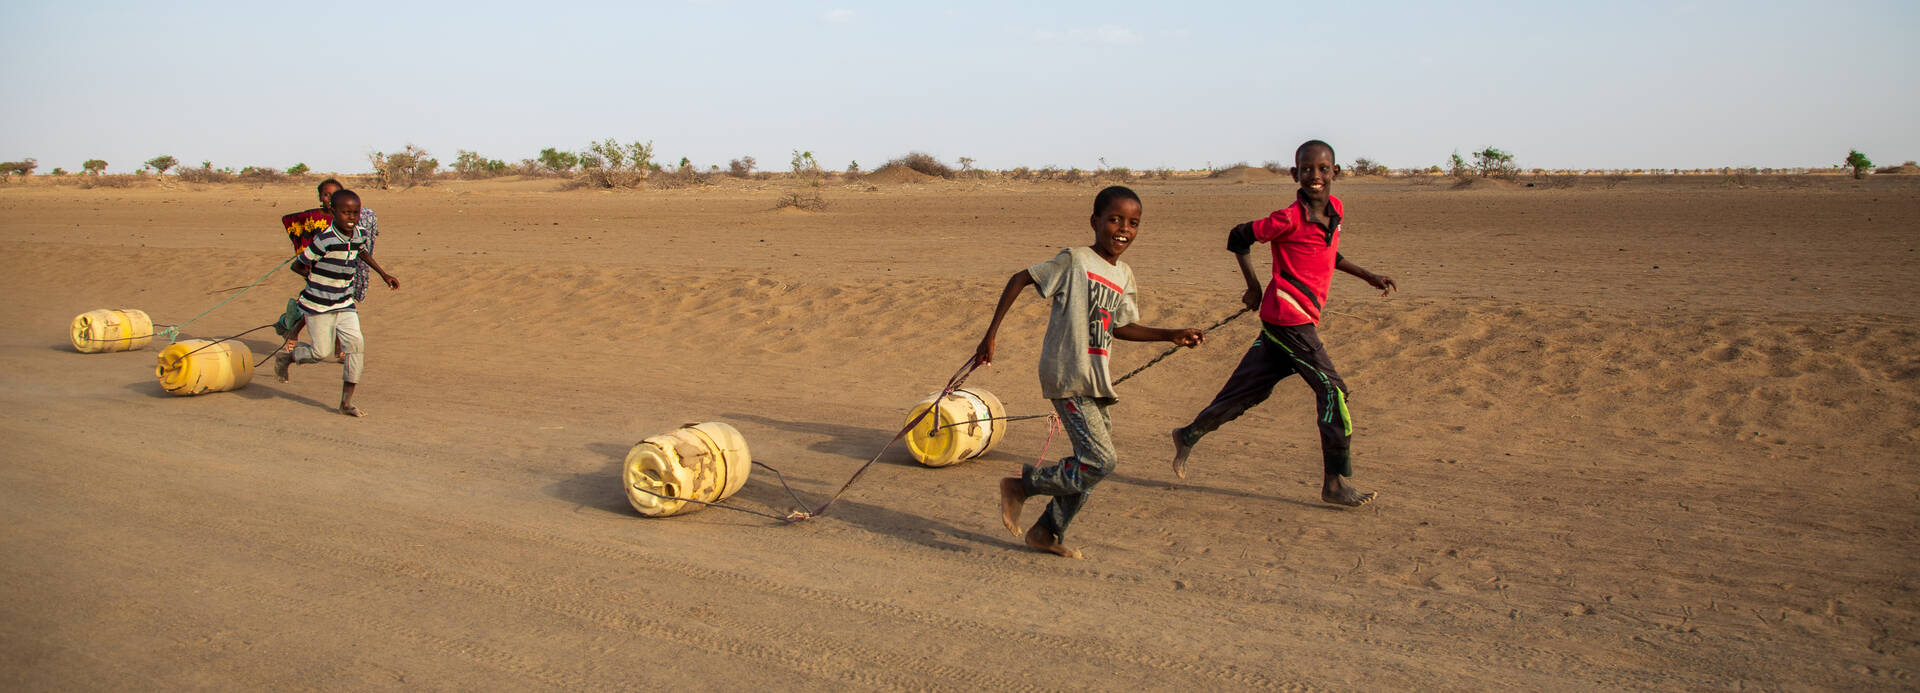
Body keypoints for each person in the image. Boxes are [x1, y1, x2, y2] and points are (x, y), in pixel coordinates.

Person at [977, 185, 1205, 558]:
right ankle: (1022, 486)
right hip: (1068, 373)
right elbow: (1021, 278)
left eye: (1133, 223)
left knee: (1092, 463)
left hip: (1096, 379)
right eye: (1114, 219)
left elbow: (1121, 326)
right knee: (1101, 460)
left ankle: (1047, 531)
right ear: (1095, 221)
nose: (1123, 229)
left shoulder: (1124, 275)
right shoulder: (1075, 260)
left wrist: (1171, 334)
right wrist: (990, 336)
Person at [1169, 140, 1397, 508]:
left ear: (1335, 172)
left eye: (1322, 169)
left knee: (1248, 391)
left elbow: (1327, 252)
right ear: (1295, 174)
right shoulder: (1287, 218)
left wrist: (1368, 275)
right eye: (1306, 169)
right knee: (1333, 391)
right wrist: (1253, 287)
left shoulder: (1336, 210)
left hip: (1287, 322)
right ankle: (1334, 484)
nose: (1315, 176)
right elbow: (1239, 237)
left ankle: (1189, 434)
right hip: (1290, 320)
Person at [274, 189, 399, 417]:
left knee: (356, 347)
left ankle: (346, 403)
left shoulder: (359, 233)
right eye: (345, 212)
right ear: (333, 212)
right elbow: (298, 265)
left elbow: (361, 252)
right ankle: (288, 357)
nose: (351, 217)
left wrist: (384, 274)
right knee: (319, 353)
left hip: (344, 302)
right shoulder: (324, 240)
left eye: (355, 213)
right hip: (319, 305)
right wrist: (315, 280)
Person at [275, 179, 382, 349]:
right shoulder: (313, 217)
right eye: (325, 194)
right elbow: (298, 228)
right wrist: (303, 252)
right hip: (320, 271)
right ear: (320, 197)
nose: (329, 198)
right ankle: (293, 332)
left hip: (345, 270)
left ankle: (339, 347)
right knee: (315, 306)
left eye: (333, 194)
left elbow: (360, 244)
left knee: (343, 308)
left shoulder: (348, 218)